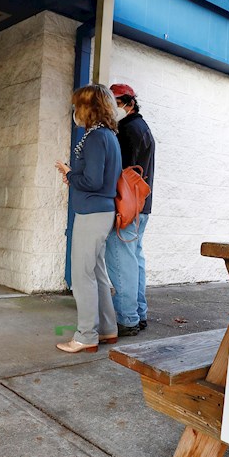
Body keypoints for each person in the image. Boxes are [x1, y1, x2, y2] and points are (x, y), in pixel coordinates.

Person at [54, 84, 122, 353]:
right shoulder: (109, 136)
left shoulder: (95, 138)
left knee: (82, 276)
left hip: (91, 213)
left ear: (87, 108)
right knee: (97, 273)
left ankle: (85, 336)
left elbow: (92, 180)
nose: (74, 111)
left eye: (76, 106)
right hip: (102, 211)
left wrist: (70, 174)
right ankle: (107, 330)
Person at [104, 83, 156, 336]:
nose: (112, 109)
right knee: (134, 259)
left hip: (126, 207)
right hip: (141, 206)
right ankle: (138, 313)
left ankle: (127, 318)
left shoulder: (126, 131)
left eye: (115, 104)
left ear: (128, 103)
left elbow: (119, 171)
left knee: (120, 259)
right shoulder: (142, 128)